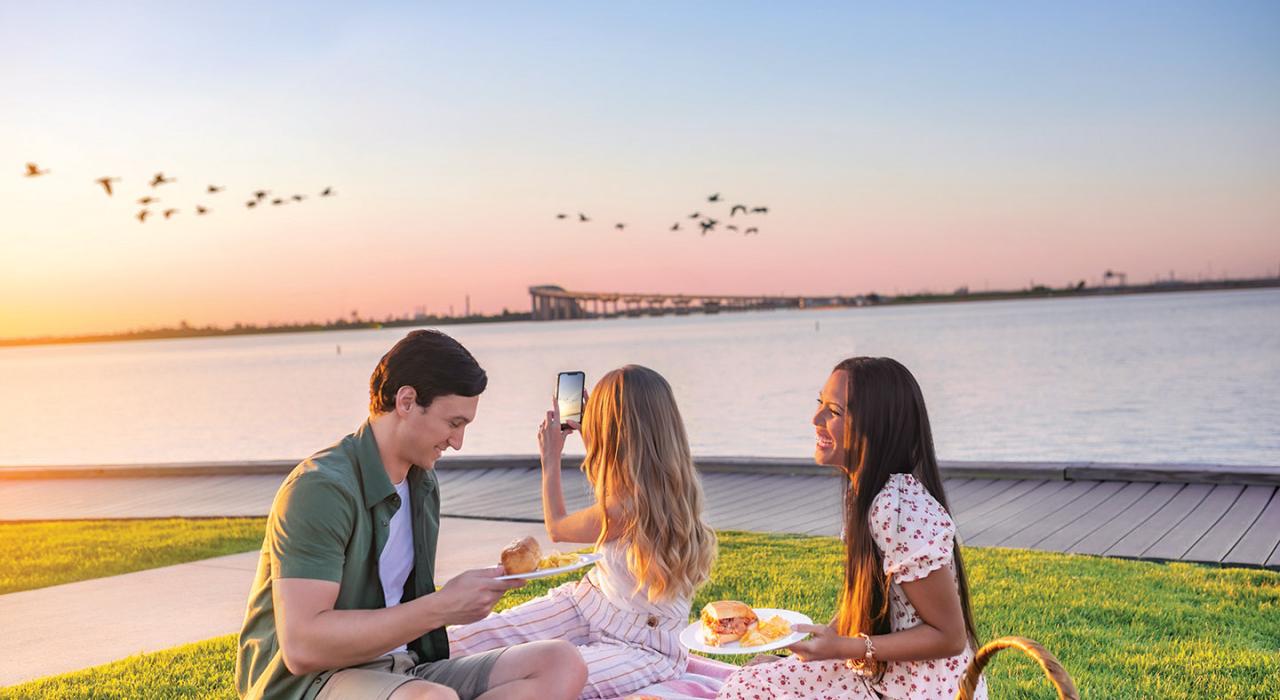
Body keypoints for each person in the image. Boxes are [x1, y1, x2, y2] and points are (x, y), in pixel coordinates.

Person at [235, 330, 587, 700]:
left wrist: (467, 596)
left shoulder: (422, 483)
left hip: (400, 668)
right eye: (453, 423)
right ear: (406, 401)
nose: (458, 442)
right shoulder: (320, 489)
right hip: (312, 683)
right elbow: (302, 647)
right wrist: (441, 607)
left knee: (561, 663)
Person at [718, 357, 986, 700]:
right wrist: (828, 637)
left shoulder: (899, 510)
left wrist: (843, 647)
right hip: (882, 673)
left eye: (833, 411)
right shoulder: (867, 495)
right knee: (751, 679)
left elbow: (950, 638)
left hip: (921, 689)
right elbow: (869, 595)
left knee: (746, 690)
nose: (816, 419)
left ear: (875, 427)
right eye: (820, 404)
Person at [448, 365, 718, 699]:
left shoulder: (627, 507)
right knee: (463, 640)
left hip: (644, 646)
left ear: (615, 432)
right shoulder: (653, 486)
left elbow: (557, 527)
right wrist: (594, 439)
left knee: (530, 683)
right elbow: (619, 467)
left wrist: (550, 458)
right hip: (588, 604)